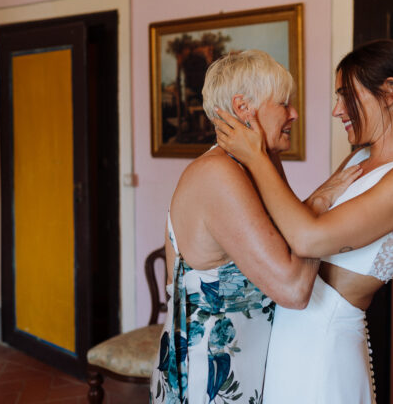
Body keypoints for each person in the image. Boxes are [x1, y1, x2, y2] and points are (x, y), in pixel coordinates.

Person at [213, 39, 393, 404]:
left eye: (346, 95)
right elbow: (291, 225)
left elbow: (307, 239)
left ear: (389, 92)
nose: (337, 110)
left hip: (322, 342)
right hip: (289, 325)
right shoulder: (359, 159)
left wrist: (257, 158)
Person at [150, 50, 360, 404]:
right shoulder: (218, 175)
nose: (294, 113)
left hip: (244, 370)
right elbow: (294, 288)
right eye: (284, 103)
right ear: (243, 107)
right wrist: (324, 204)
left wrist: (280, 171)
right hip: (211, 382)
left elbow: (290, 237)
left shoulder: (254, 167)